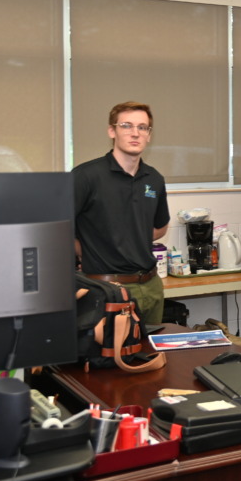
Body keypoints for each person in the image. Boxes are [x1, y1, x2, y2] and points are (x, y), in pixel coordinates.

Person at [73, 101, 170, 326]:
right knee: (109, 359)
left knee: (150, 357)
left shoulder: (154, 178)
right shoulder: (85, 176)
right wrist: (87, 250)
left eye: (142, 127)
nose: (135, 133)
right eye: (126, 125)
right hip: (107, 288)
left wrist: (130, 239)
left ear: (149, 134)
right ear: (112, 131)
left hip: (151, 286)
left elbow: (160, 227)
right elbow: (58, 228)